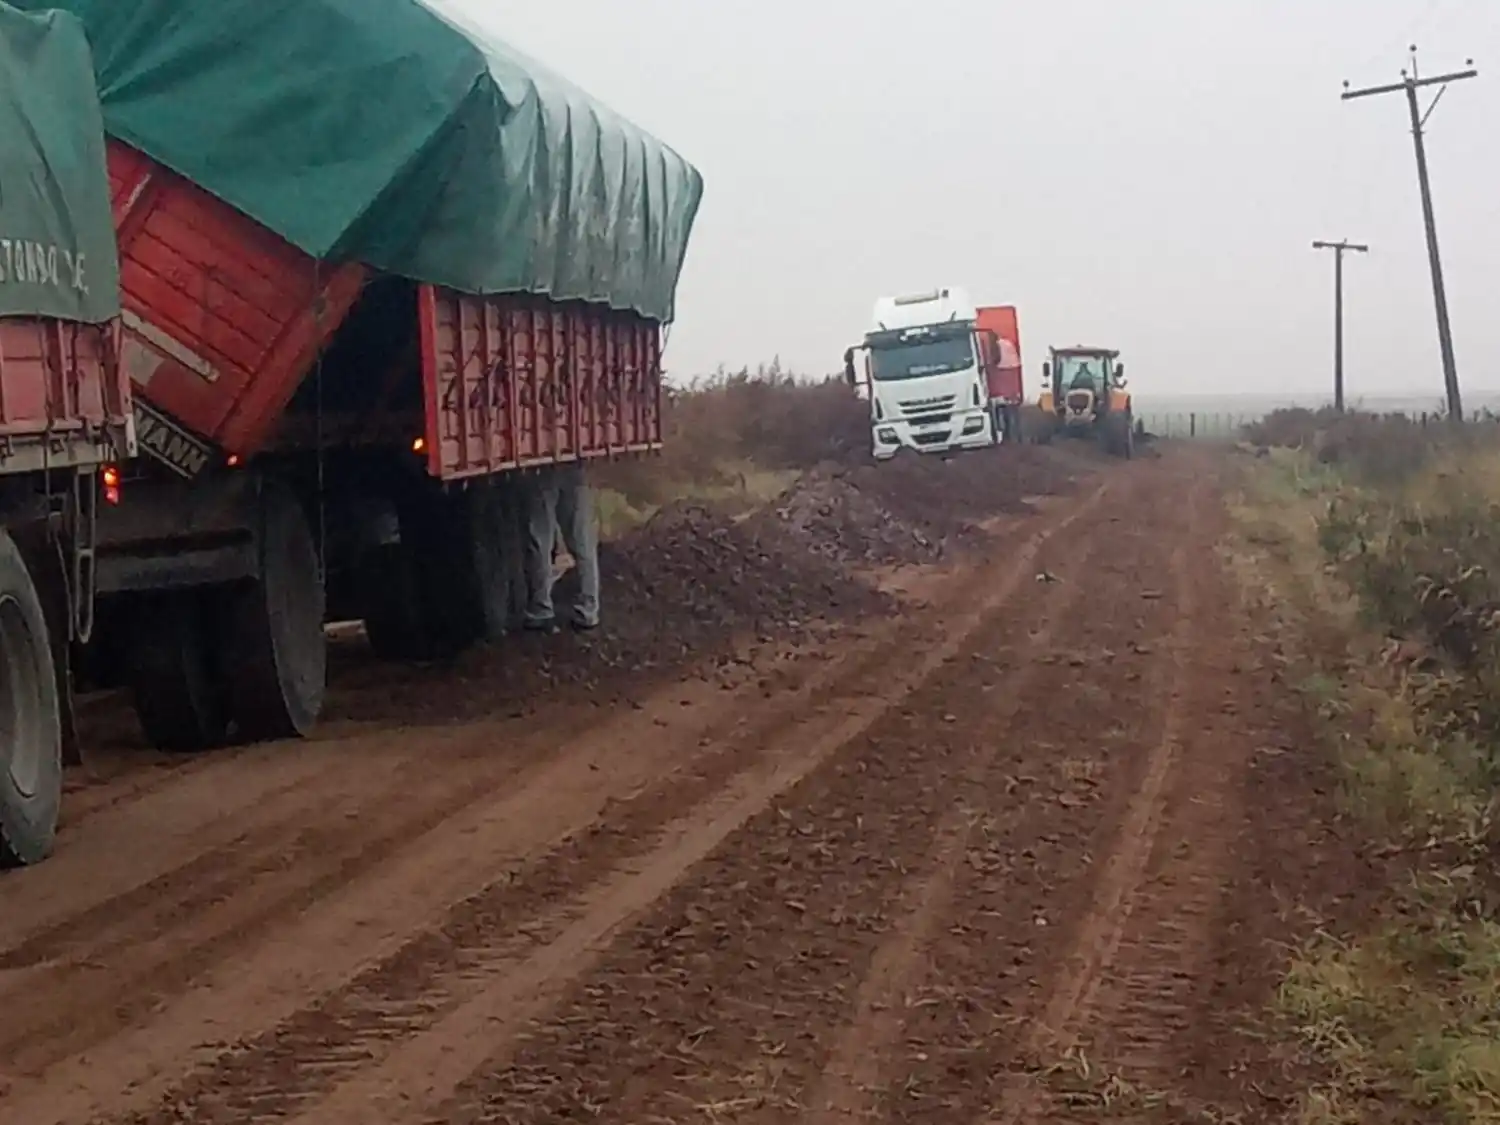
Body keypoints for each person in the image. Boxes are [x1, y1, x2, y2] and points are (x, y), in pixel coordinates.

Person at [521, 462, 600, 632]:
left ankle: (540, 610)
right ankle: (587, 612)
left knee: (540, 539)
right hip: (573, 462)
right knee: (582, 540)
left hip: (540, 466)